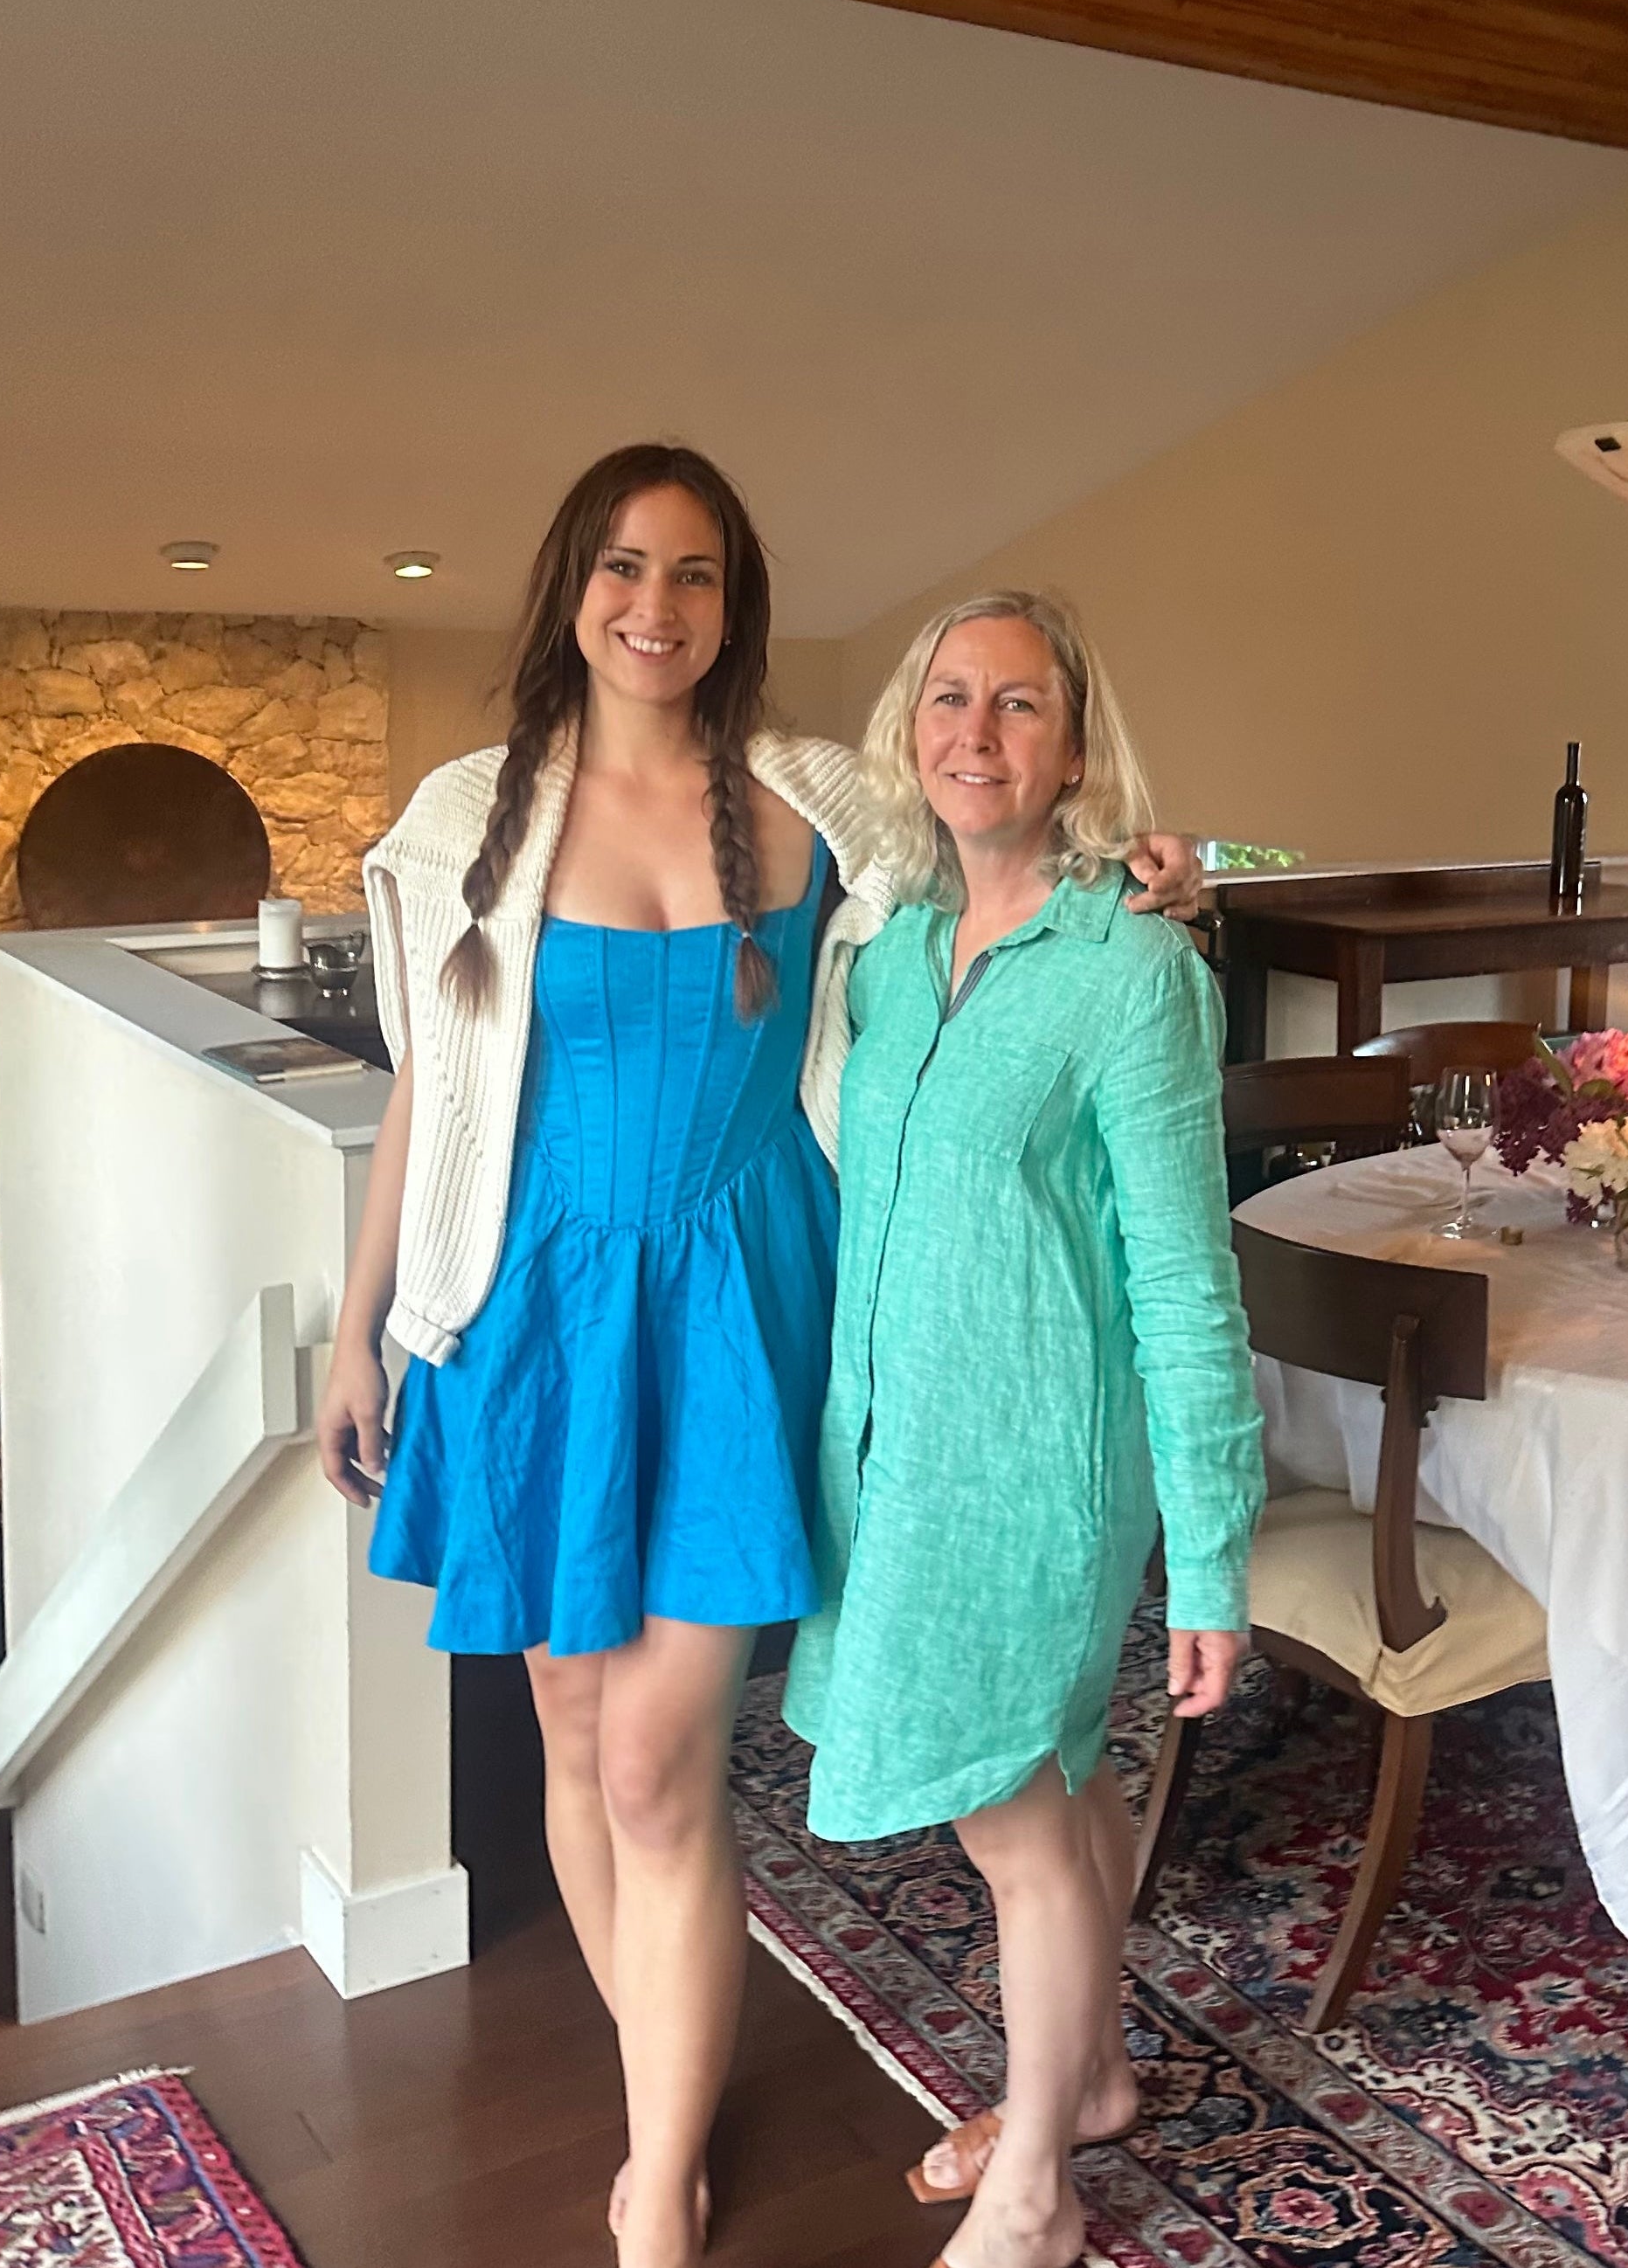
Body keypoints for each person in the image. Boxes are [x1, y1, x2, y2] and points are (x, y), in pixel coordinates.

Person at [313, 452, 1198, 2268]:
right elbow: (439, 1085)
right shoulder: (466, 814)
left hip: (734, 1300)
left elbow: (1002, 836)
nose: (659, 605)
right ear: (571, 584)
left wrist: (1153, 878)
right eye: (628, 566)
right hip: (530, 1308)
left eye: (697, 574)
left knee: (656, 1754)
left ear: (737, 605)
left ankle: (660, 2183)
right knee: (569, 1723)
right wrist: (358, 1325)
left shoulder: (820, 798)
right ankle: (665, 2098)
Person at [785, 590, 1263, 2268]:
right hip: (895, 1442)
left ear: (1075, 748)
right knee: (1056, 1771)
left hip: (1039, 1470)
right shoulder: (894, 951)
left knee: (1014, 1818)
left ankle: (1040, 2191)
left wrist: (1209, 1555)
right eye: (948, 698)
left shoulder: (1137, 972)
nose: (975, 734)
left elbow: (1190, 1287)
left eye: (1020, 706)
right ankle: (1095, 2077)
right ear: (909, 726)